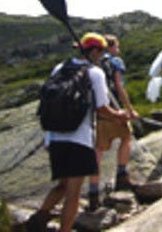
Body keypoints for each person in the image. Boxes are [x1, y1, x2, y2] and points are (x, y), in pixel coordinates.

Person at [26, 33, 129, 232]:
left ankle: (39, 219)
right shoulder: (95, 72)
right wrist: (120, 115)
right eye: (101, 52)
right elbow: (102, 108)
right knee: (73, 193)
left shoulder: (59, 68)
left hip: (54, 137)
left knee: (62, 186)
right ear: (95, 51)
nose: (101, 56)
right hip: (79, 139)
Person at [87, 34, 139, 210]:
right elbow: (119, 86)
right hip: (113, 109)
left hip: (96, 112)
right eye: (117, 46)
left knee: (98, 151)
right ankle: (122, 175)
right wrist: (129, 109)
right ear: (110, 47)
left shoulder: (90, 64)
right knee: (126, 138)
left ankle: (93, 193)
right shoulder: (115, 62)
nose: (119, 50)